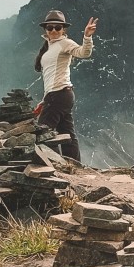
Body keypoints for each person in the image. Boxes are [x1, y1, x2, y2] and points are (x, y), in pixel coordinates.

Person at [34, 9, 97, 162]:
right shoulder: (48, 47)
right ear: (45, 30)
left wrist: (87, 36)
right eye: (50, 27)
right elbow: (50, 78)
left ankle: (55, 165)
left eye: (58, 27)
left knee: (43, 131)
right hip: (59, 95)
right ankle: (74, 166)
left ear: (63, 29)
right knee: (67, 132)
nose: (54, 30)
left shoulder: (65, 43)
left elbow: (83, 53)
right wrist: (44, 100)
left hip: (59, 94)